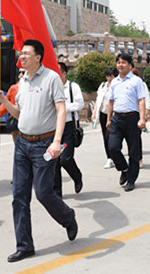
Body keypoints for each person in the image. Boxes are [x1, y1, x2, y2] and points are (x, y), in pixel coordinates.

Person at [0, 39, 77, 263]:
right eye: (21, 53)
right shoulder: (22, 82)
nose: (21, 57)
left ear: (38, 57)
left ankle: (67, 217)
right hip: (22, 144)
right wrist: (4, 102)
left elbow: (61, 110)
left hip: (44, 144)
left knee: (43, 193)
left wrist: (57, 142)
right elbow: (19, 114)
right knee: (19, 197)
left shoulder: (51, 78)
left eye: (26, 53)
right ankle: (24, 246)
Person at [107, 53, 147, 192]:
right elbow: (111, 101)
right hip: (117, 119)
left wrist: (142, 118)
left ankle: (131, 180)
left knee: (133, 151)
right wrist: (108, 119)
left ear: (130, 65)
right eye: (118, 62)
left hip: (132, 119)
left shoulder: (136, 81)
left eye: (123, 62)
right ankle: (124, 168)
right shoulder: (114, 82)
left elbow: (141, 100)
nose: (120, 65)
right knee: (113, 147)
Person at [53, 63, 84, 198]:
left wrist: (63, 107)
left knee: (65, 158)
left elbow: (80, 104)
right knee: (54, 161)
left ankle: (77, 176)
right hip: (53, 128)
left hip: (68, 127)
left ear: (64, 73)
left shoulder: (72, 87)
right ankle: (57, 194)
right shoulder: (50, 87)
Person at [92, 67, 119, 169]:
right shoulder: (103, 85)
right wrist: (94, 113)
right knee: (105, 136)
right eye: (108, 76)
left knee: (111, 136)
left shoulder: (117, 86)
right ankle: (109, 158)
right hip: (103, 113)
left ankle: (115, 156)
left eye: (111, 76)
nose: (109, 78)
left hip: (113, 114)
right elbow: (98, 99)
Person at [0, 69, 26, 143]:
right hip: (17, 121)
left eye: (24, 72)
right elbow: (5, 103)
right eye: (19, 73)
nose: (21, 75)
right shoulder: (13, 88)